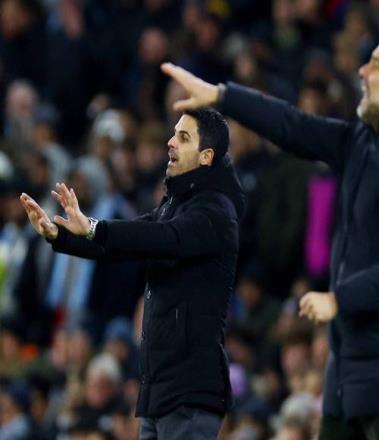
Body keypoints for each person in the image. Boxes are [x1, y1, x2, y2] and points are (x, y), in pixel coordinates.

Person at [161, 36, 379, 440]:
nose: (362, 72)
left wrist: (340, 299)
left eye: (375, 65)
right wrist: (223, 97)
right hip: (347, 363)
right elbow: (294, 126)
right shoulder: (363, 141)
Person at [20, 108, 245, 439]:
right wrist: (59, 235)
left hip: (190, 392)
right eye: (174, 133)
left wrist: (93, 227)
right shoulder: (174, 206)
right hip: (158, 391)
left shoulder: (215, 211)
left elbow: (163, 238)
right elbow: (118, 246)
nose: (171, 142)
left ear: (206, 156)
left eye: (183, 137)